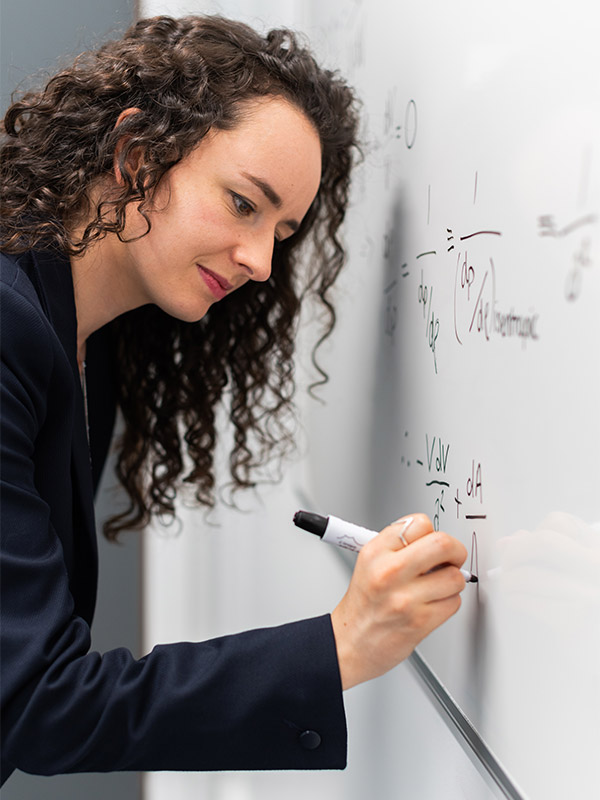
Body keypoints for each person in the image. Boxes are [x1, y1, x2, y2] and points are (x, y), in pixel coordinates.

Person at [0, 14, 467, 784]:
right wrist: (342, 644)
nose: (259, 263)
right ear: (135, 154)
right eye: (244, 204)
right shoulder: (12, 330)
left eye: (282, 233)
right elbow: (38, 706)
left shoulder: (92, 338)